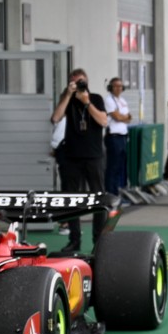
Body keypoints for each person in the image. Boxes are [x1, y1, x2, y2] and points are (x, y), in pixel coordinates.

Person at [50, 68, 109, 253]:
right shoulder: (67, 100)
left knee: (98, 198)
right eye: (75, 82)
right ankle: (74, 239)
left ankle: (99, 240)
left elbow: (103, 121)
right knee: (71, 199)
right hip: (71, 157)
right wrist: (68, 94)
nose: (79, 85)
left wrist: (87, 102)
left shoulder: (96, 98)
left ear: (88, 81)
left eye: (82, 81)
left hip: (94, 156)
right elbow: (55, 118)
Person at [104, 77, 132, 196]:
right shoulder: (108, 100)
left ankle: (118, 191)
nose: (118, 88)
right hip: (113, 137)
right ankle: (111, 193)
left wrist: (123, 117)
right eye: (116, 86)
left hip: (123, 136)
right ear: (110, 87)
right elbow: (117, 117)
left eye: (120, 86)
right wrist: (123, 117)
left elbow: (129, 117)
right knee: (113, 167)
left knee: (121, 166)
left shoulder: (122, 100)